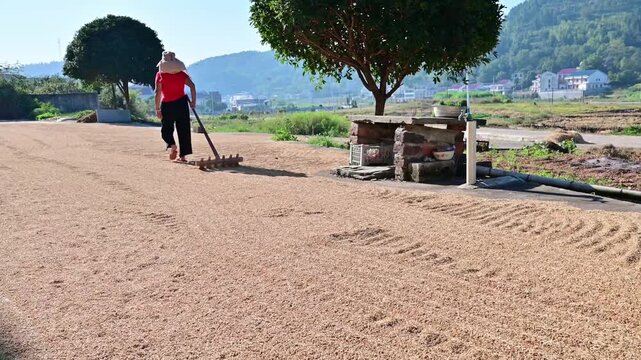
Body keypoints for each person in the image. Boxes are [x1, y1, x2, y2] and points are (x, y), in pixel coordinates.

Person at [154, 51, 197, 162]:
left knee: (166, 129)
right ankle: (182, 156)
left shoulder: (160, 75)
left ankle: (173, 146)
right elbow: (192, 86)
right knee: (184, 130)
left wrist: (157, 108)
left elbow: (157, 92)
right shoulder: (181, 74)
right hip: (181, 103)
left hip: (167, 104)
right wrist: (193, 102)